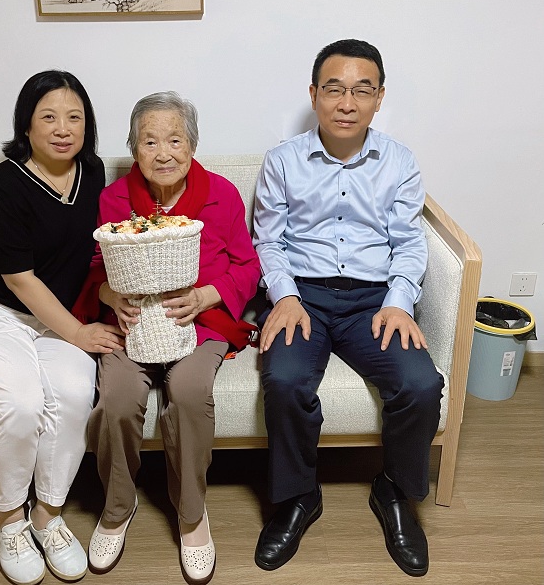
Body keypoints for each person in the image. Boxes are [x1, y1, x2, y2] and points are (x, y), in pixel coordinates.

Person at [252, 39, 444, 577]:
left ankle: (395, 491)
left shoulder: (399, 161)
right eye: (334, 88)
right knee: (285, 380)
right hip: (303, 297)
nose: (346, 102)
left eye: (362, 90)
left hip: (373, 301)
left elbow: (409, 242)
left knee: (421, 384)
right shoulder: (283, 160)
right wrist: (285, 296)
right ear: (314, 93)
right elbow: (268, 240)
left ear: (379, 98)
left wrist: (400, 302)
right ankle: (298, 496)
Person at [72, 91, 260, 584]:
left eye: (174, 140)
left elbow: (247, 265)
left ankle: (192, 514)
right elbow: (94, 267)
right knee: (117, 397)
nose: (163, 153)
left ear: (192, 145)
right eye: (149, 141)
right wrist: (109, 295)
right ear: (134, 149)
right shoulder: (114, 199)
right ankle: (117, 507)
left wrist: (206, 296)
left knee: (190, 390)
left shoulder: (221, 194)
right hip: (132, 322)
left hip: (199, 323)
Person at [0, 70, 124, 585]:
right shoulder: (1, 186)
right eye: (48, 117)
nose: (62, 128)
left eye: (74, 117)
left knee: (75, 395)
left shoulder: (92, 172)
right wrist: (78, 333)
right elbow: (21, 280)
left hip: (61, 314)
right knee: (21, 404)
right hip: (1, 315)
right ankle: (9, 520)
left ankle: (47, 515)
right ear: (26, 126)